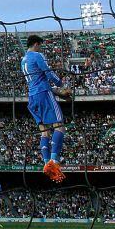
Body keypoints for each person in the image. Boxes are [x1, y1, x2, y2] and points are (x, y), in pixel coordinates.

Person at [21, 35, 72, 183]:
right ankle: (54, 161)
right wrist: (61, 84)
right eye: (40, 45)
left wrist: (58, 93)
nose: (41, 48)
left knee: (45, 131)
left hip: (32, 98)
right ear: (36, 44)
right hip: (43, 95)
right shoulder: (37, 55)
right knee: (60, 127)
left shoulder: (23, 60)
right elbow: (48, 73)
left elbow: (37, 81)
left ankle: (45, 163)